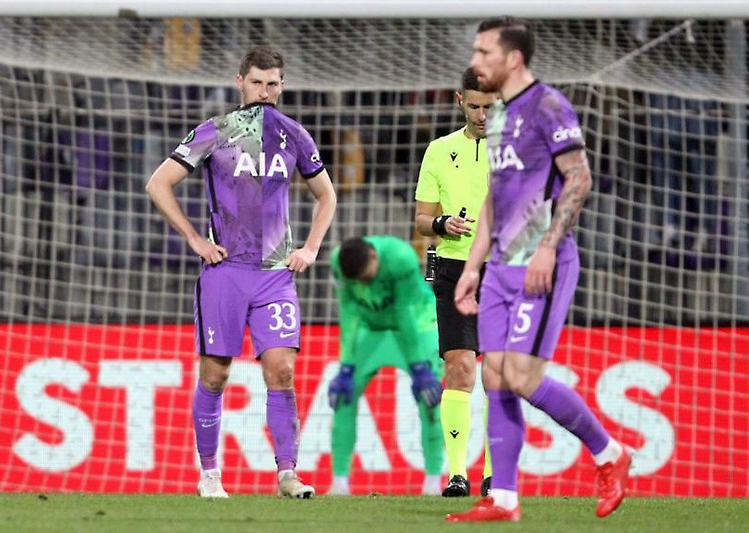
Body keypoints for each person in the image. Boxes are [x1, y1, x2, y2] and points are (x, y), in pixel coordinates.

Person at [446, 17, 633, 522]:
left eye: (485, 52)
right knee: (495, 377)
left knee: (523, 376)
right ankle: (504, 499)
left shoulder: (549, 105)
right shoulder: (500, 115)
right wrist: (472, 267)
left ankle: (609, 453)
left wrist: (549, 247)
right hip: (501, 267)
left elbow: (579, 178)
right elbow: (493, 197)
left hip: (539, 264)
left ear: (514, 59)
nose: (476, 60)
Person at [146, 45, 337, 499]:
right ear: (240, 82)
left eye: (273, 84)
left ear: (282, 87)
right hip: (225, 272)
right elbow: (159, 183)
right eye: (257, 82)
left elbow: (326, 196)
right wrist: (195, 239)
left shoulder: (295, 136)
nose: (264, 92)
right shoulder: (215, 132)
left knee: (282, 370)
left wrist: (311, 247)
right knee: (214, 374)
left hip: (275, 274)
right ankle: (210, 475)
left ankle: (287, 474)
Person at [414, 67, 499, 498]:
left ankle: (493, 472)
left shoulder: (517, 151)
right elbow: (422, 219)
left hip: (503, 271)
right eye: (475, 105)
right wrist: (444, 224)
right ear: (458, 101)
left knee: (499, 374)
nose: (483, 114)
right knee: (461, 367)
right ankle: (457, 474)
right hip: (454, 269)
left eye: (490, 105)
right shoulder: (438, 150)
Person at [327, 236, 444, 496]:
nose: (364, 285)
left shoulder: (401, 257)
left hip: (418, 325)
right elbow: (348, 311)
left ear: (374, 257)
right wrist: (345, 366)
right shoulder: (338, 260)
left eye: (367, 278)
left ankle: (434, 482)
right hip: (372, 329)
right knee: (343, 396)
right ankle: (339, 483)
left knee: (430, 398)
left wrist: (418, 367)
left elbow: (405, 312)